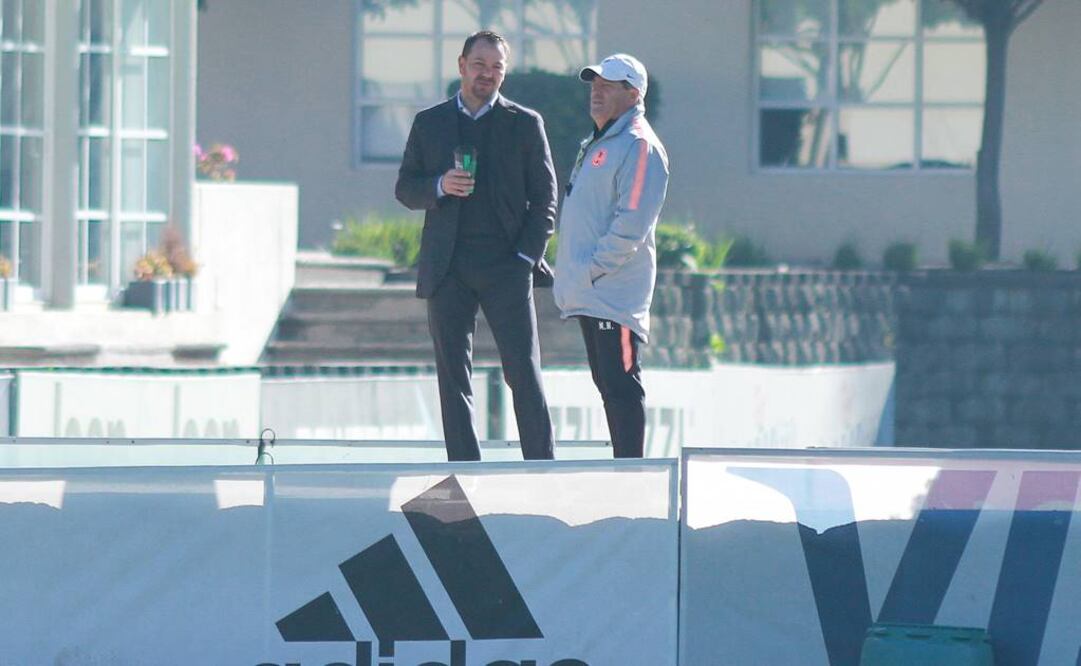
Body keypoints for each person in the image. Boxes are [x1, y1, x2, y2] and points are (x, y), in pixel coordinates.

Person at [395, 31, 558, 462]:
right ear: (462, 65)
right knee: (453, 378)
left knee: (523, 371)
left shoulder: (524, 123)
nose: (488, 74)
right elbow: (405, 189)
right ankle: (465, 470)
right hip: (447, 267)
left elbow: (546, 200)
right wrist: (439, 185)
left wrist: (526, 258)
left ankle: (542, 469)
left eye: (497, 67)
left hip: (507, 266)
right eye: (480, 64)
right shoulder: (429, 123)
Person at [552, 54, 670, 459]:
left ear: (633, 93)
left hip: (614, 296)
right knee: (608, 385)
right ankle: (624, 472)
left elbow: (632, 224)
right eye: (594, 83)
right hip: (591, 291)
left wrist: (593, 270)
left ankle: (633, 477)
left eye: (609, 84)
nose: (597, 91)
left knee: (621, 386)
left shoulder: (638, 144)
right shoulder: (603, 140)